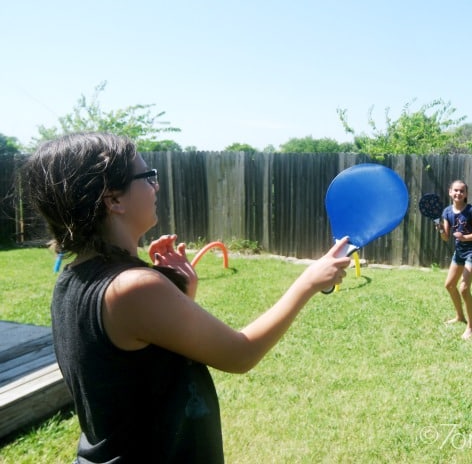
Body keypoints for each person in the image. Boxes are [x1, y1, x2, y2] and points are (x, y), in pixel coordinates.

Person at [21, 132, 351, 463]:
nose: (156, 186)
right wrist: (307, 282)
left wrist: (182, 295)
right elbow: (240, 354)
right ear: (113, 200)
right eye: (147, 177)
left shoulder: (72, 279)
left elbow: (133, 372)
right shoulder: (133, 288)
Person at [438, 180, 472, 340]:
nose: (458, 193)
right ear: (450, 192)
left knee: (464, 288)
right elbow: (445, 237)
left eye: (461, 191)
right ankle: (460, 317)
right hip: (460, 252)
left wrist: (464, 237)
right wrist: (441, 230)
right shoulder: (447, 212)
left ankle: (471, 327)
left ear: (466, 194)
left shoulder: (471, 211)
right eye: (455, 190)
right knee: (450, 285)